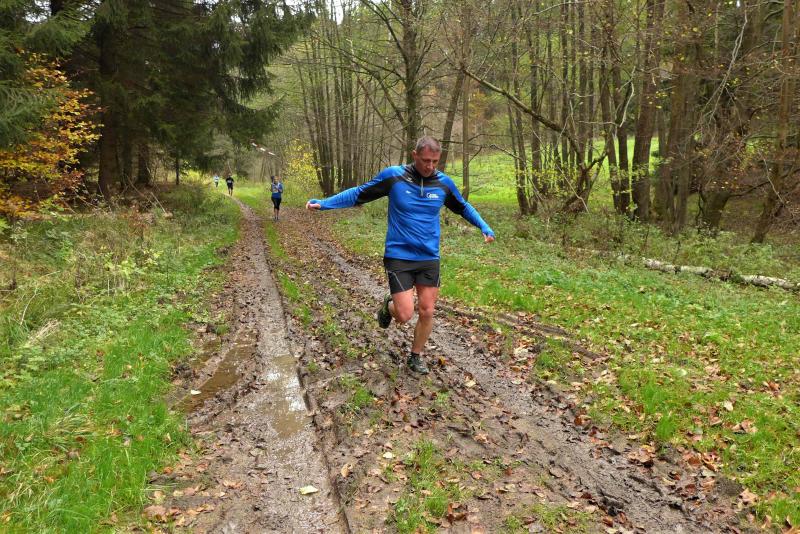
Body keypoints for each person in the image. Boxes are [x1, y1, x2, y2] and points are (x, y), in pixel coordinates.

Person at [306, 136, 495, 374]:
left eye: (435, 161)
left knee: (427, 310)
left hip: (428, 256)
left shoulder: (443, 184)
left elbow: (463, 207)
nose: (430, 166)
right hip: (399, 255)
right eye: (425, 160)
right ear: (414, 155)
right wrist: (325, 203)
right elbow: (359, 193)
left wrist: (484, 226)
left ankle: (415, 356)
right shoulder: (394, 177)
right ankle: (389, 306)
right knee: (405, 314)